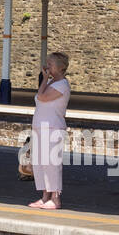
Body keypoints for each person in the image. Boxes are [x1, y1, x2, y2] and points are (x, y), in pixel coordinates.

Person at [29, 52, 71, 209]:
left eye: (50, 64)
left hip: (53, 127)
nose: (47, 67)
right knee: (40, 163)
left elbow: (42, 97)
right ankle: (45, 196)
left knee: (52, 163)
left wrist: (45, 79)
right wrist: (46, 80)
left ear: (60, 68)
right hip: (40, 126)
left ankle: (55, 198)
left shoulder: (62, 85)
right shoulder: (51, 83)